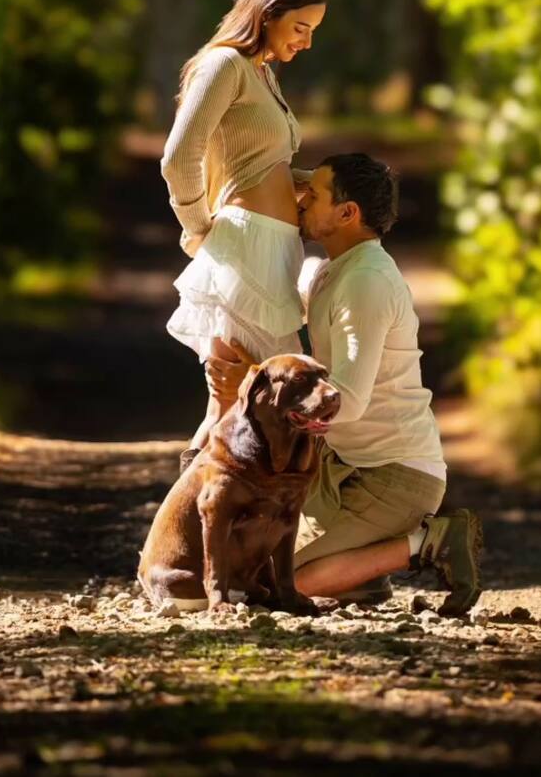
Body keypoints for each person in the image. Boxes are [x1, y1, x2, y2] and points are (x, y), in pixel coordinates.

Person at [206, 153, 482, 616]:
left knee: (275, 581)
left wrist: (250, 386)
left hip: (395, 476)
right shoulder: (331, 270)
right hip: (342, 466)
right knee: (244, 558)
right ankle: (363, 582)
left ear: (347, 213)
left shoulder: (366, 282)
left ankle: (427, 543)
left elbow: (346, 404)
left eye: (312, 196)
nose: (300, 203)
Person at [160, 0, 326, 458]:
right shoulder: (224, 65)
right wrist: (197, 229)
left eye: (313, 32)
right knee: (234, 410)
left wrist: (330, 185)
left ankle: (209, 531)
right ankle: (180, 533)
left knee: (248, 414)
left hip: (274, 251)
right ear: (269, 12)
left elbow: (262, 166)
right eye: (301, 28)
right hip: (245, 248)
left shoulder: (262, 74)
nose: (307, 43)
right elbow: (179, 155)